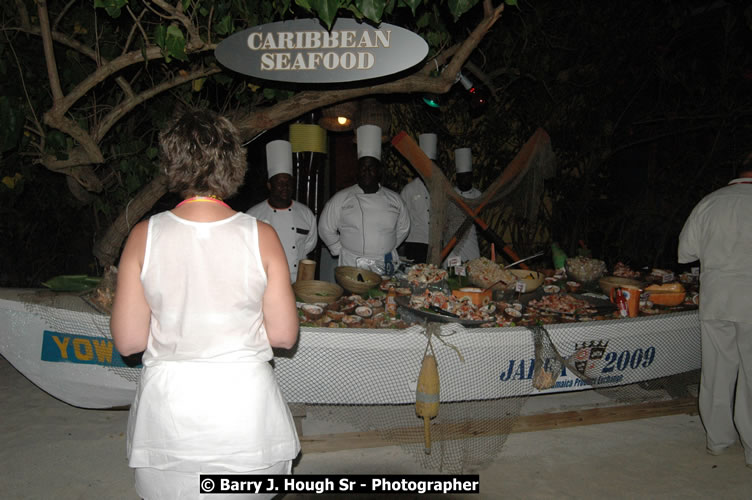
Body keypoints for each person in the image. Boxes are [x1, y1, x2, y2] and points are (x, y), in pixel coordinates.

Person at [110, 108, 300, 499]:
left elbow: (129, 341)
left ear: (171, 164)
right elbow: (283, 335)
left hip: (169, 421)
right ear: (234, 165)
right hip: (247, 419)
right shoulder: (261, 235)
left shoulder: (144, 235)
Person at [678, 154, 752, 467]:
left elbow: (686, 252)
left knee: (717, 371)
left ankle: (718, 441)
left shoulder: (709, 202)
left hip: (717, 298)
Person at [318, 124, 410, 272]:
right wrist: (339, 249)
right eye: (362, 167)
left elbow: (404, 228)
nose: (366, 172)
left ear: (379, 171)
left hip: (385, 263)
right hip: (352, 264)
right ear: (357, 171)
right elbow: (325, 227)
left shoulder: (395, 199)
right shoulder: (341, 198)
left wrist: (388, 245)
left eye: (371, 167)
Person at [247, 140, 318, 282]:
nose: (285, 186)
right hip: (265, 280)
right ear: (269, 185)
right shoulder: (252, 215)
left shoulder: (305, 213)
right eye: (279, 182)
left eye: (288, 182)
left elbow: (309, 244)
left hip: (298, 279)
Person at [400, 133, 437, 263]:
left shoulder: (440, 189)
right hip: (415, 243)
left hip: (436, 244)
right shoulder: (409, 190)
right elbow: (401, 220)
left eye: (432, 165)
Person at [443, 147, 481, 266]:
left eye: (466, 176)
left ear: (471, 176)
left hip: (470, 240)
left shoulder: (478, 195)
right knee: (450, 274)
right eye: (461, 176)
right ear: (457, 178)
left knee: (474, 270)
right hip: (451, 241)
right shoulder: (450, 194)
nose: (464, 179)